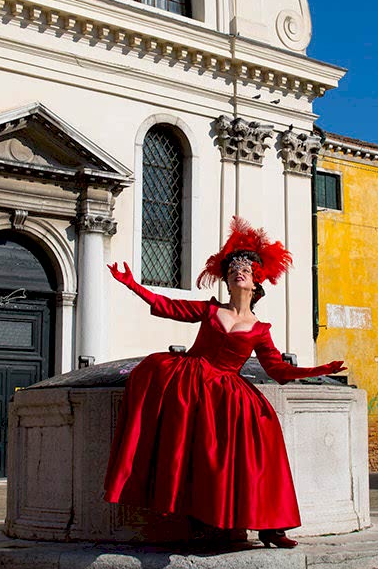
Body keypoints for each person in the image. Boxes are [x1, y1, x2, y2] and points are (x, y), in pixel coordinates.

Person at [102, 217, 344, 548]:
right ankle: (203, 520)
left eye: (244, 270)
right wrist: (132, 284)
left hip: (227, 388)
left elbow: (277, 370)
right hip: (191, 380)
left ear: (256, 284)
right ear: (228, 283)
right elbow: (167, 306)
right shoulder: (210, 310)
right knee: (191, 440)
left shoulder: (260, 329)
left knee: (263, 433)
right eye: (233, 271)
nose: (237, 272)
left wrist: (317, 370)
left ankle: (271, 526)